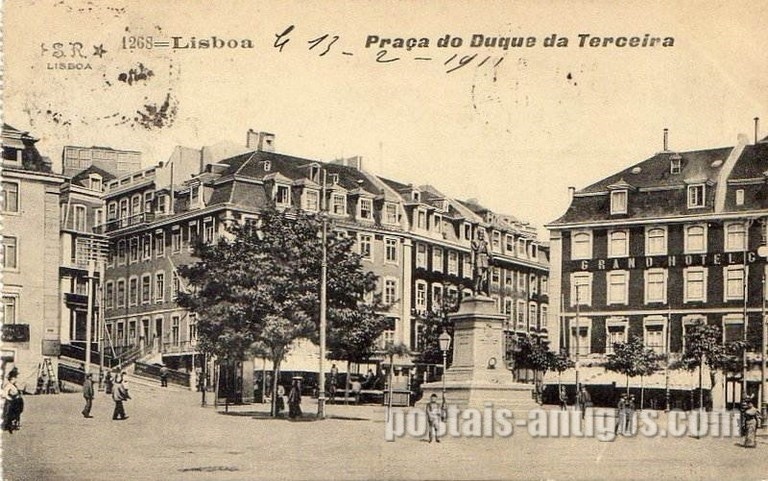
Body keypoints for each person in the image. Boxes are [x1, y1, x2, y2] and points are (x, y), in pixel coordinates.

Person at [471, 229, 491, 295]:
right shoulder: (474, 242)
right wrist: (472, 263)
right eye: (480, 233)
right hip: (478, 258)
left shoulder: (485, 243)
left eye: (483, 234)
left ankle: (480, 289)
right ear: (478, 234)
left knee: (483, 276)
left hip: (484, 259)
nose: (482, 235)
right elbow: (472, 253)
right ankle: (476, 289)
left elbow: (489, 252)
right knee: (478, 274)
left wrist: (490, 258)